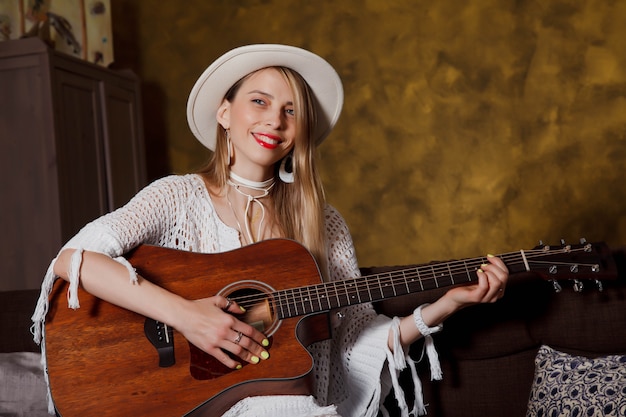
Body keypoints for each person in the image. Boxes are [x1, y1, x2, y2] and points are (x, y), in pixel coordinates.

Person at [31, 44, 509, 417]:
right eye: (259, 101)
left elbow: (352, 340)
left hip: (283, 401)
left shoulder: (324, 223)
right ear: (225, 113)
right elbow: (74, 262)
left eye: (291, 110)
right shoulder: (176, 197)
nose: (274, 120)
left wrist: (446, 305)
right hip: (186, 401)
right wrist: (187, 316)